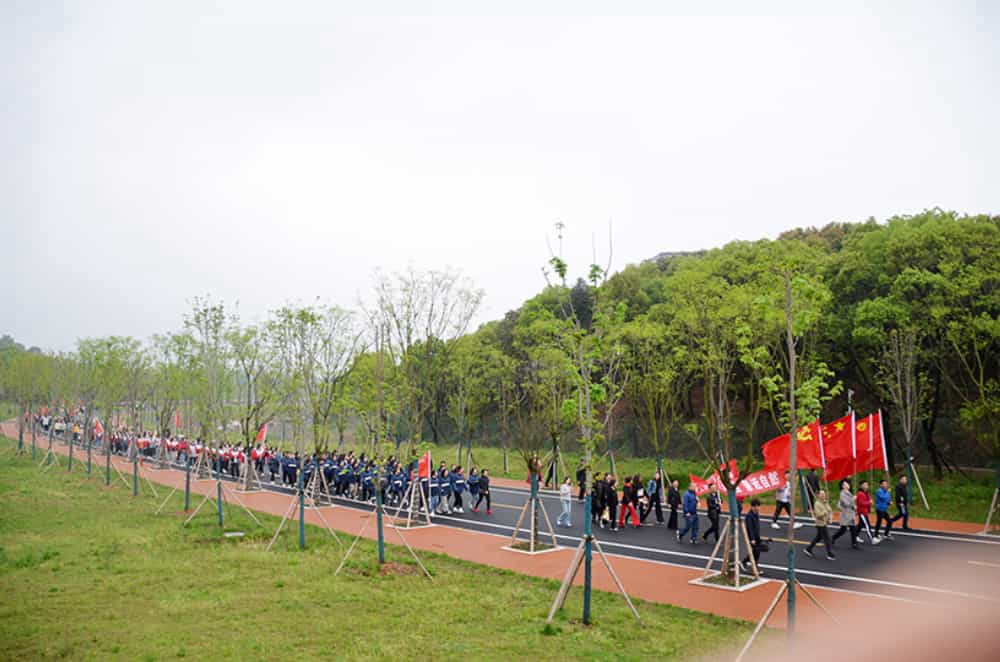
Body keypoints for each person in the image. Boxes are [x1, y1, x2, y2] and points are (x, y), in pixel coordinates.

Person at [803, 489, 836, 560]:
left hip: (825, 523)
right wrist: (824, 512)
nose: (823, 495)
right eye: (821, 494)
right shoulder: (817, 504)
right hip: (820, 524)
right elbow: (818, 515)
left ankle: (808, 549)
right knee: (827, 538)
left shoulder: (825, 502)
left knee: (818, 538)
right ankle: (830, 554)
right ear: (818, 495)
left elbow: (830, 511)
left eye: (824, 494)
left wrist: (830, 518)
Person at [832, 480, 859, 550]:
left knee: (853, 529)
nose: (848, 484)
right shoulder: (842, 493)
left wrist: (854, 507)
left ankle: (854, 543)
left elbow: (851, 504)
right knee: (843, 530)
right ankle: (832, 538)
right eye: (846, 484)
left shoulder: (849, 492)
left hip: (850, 514)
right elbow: (846, 503)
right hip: (845, 514)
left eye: (848, 483)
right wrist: (853, 499)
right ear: (843, 486)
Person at [741, 498, 766, 573]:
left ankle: (744, 562)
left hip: (756, 537)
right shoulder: (749, 516)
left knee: (756, 552)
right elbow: (749, 528)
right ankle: (753, 568)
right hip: (752, 538)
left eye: (758, 506)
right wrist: (752, 539)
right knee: (756, 552)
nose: (757, 508)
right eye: (756, 506)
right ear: (752, 507)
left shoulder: (756, 514)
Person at [855, 480, 880, 545]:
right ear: (861, 486)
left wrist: (869, 508)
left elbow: (867, 502)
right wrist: (869, 502)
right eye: (864, 485)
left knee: (860, 525)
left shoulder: (866, 493)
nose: (866, 486)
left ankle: (855, 536)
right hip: (862, 512)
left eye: (867, 485)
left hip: (865, 512)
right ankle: (872, 539)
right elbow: (861, 503)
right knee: (867, 525)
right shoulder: (860, 493)